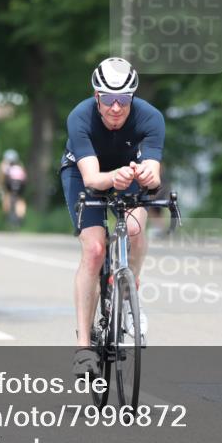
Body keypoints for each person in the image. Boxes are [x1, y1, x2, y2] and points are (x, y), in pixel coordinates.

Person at [59, 57, 164, 377]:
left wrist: (148, 175)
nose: (116, 107)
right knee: (94, 250)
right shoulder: (80, 117)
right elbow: (92, 179)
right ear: (96, 96)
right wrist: (113, 177)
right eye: (108, 99)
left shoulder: (151, 118)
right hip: (83, 175)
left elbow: (154, 174)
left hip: (127, 173)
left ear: (133, 97)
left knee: (134, 229)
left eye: (123, 99)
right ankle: (83, 347)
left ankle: (130, 296)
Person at [0, 149, 28, 225]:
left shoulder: (4, 165)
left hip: (10, 182)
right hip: (21, 183)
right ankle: (20, 216)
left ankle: (7, 214)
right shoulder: (20, 165)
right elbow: (24, 177)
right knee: (20, 198)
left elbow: (0, 177)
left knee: (7, 195)